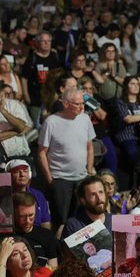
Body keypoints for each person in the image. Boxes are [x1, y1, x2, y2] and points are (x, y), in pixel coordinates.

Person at [38, 88, 95, 236]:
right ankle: (59, 254)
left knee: (82, 220)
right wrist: (50, 179)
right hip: (60, 180)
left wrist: (89, 171)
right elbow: (42, 153)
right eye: (77, 104)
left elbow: (90, 147)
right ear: (66, 103)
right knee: (61, 222)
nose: (82, 107)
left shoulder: (85, 119)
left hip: (82, 178)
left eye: (83, 103)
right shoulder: (51, 122)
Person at [12, 192, 59, 269]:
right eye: (22, 216)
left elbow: (53, 268)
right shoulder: (7, 237)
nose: (27, 221)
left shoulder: (46, 235)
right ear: (14, 214)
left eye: (31, 215)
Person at [5, 160, 50, 229]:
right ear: (8, 176)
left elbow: (45, 222)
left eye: (25, 171)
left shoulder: (38, 195)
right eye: (17, 172)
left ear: (30, 174)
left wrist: (44, 237)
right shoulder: (4, 198)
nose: (22, 175)